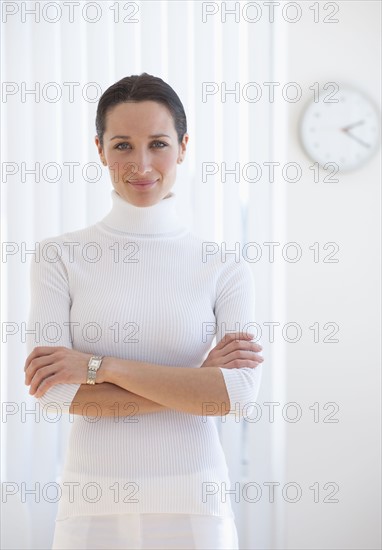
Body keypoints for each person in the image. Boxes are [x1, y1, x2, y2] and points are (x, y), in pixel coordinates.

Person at [24, 73, 264, 550]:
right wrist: (193, 381)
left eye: (157, 143)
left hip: (196, 504)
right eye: (122, 145)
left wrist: (99, 367)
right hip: (93, 504)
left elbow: (235, 396)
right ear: (99, 149)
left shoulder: (223, 264)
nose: (140, 164)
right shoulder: (59, 256)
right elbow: (55, 395)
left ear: (182, 146)